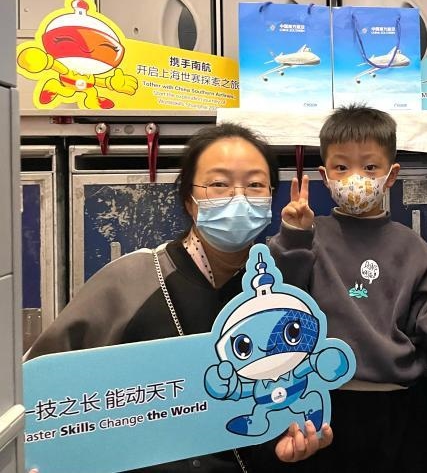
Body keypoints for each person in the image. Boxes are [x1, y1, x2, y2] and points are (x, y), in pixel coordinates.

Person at [26, 124, 333, 472]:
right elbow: (41, 385)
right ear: (189, 199)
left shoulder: (277, 296)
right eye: (219, 184)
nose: (239, 197)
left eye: (255, 185)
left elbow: (275, 407)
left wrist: (288, 446)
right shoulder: (131, 279)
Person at [268, 104, 427, 472]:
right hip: (322, 400)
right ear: (324, 175)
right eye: (341, 167)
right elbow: (283, 302)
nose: (355, 178)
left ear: (390, 176)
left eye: (370, 167)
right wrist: (294, 236)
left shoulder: (415, 249)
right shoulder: (310, 237)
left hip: (398, 405)